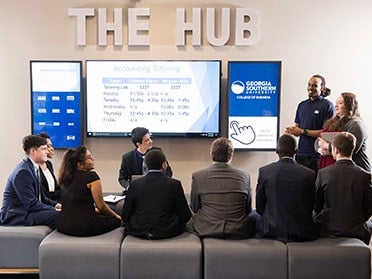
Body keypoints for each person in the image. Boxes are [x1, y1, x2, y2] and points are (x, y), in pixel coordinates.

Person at [186, 137, 254, 239]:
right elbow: (247, 209)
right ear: (231, 155)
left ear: (211, 154)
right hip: (238, 230)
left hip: (206, 229)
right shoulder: (245, 176)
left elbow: (195, 207)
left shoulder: (198, 176)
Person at [254, 134, 317, 242]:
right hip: (302, 231)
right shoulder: (309, 174)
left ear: (276, 150)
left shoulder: (265, 171)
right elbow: (311, 207)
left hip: (271, 230)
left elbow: (259, 207)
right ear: (296, 151)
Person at [314, 132, 372, 244]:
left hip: (329, 230)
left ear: (335, 149)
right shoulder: (365, 176)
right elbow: (368, 209)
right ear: (353, 149)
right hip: (357, 231)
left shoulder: (323, 174)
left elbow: (317, 206)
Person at [122, 149, 191, 239]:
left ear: (145, 166)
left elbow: (125, 215)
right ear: (163, 165)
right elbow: (185, 216)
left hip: (139, 231)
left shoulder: (134, 184)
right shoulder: (174, 184)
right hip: (168, 231)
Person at [56, 146, 122, 236]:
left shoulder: (65, 177)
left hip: (62, 225)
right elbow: (101, 206)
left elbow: (76, 205)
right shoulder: (91, 177)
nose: (93, 159)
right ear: (80, 164)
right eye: (89, 157)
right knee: (118, 221)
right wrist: (116, 216)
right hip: (83, 226)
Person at [0, 135, 61, 228]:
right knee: (60, 215)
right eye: (43, 149)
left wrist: (57, 205)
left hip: (27, 211)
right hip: (17, 215)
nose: (47, 152)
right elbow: (31, 204)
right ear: (33, 151)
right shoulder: (23, 172)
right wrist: (54, 209)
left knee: (63, 212)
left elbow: (43, 198)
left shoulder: (33, 167)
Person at [285, 74, 335, 172]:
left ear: (322, 88)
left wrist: (303, 132)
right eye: (309, 85)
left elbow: (326, 133)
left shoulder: (327, 106)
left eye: (314, 85)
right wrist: (292, 131)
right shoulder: (302, 105)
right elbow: (298, 129)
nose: (310, 88)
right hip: (301, 155)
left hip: (317, 156)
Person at [317, 92, 370, 172]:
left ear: (349, 105)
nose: (336, 106)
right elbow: (319, 140)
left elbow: (350, 149)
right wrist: (319, 149)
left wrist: (327, 146)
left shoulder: (356, 124)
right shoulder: (333, 122)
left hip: (356, 172)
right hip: (338, 170)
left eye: (340, 103)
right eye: (336, 103)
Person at [118, 127, 173, 191]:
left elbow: (168, 172)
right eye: (147, 140)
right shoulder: (127, 157)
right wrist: (129, 187)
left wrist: (162, 183)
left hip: (156, 189)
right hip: (137, 190)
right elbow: (122, 178)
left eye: (150, 138)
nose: (151, 141)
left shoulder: (157, 152)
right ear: (138, 144)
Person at [38, 132, 61, 202]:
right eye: (49, 146)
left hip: (54, 201)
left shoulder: (48, 164)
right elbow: (43, 195)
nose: (52, 149)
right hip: (45, 204)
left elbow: (55, 188)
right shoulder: (34, 167)